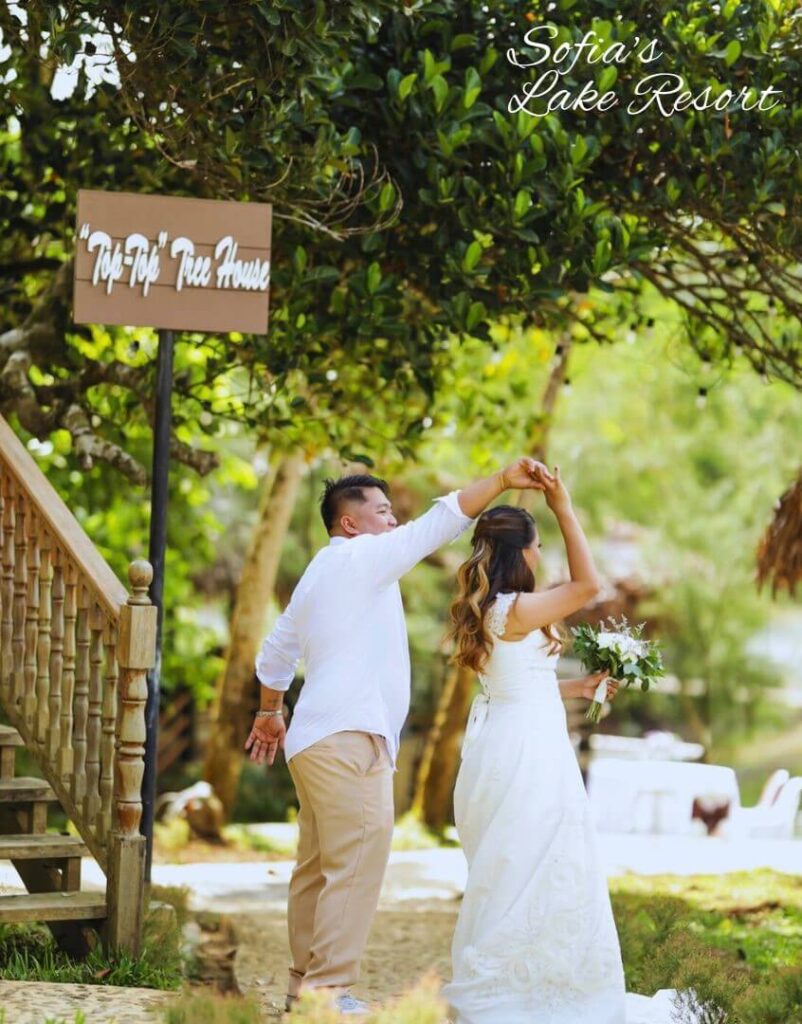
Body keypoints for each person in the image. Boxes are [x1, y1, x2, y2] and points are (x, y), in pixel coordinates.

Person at [246, 458, 553, 1017]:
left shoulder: (320, 571)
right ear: (350, 524)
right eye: (383, 512)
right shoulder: (363, 557)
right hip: (348, 737)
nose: (393, 523)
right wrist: (503, 481)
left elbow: (276, 651)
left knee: (316, 867)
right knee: (357, 863)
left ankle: (302, 986)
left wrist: (271, 710)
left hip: (314, 739)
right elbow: (442, 520)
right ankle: (326, 992)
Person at [442, 467, 684, 1024]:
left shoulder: (490, 611)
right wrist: (565, 507)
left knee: (513, 868)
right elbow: (587, 587)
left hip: (498, 750)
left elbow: (513, 684)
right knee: (537, 864)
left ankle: (520, 977)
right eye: (541, 544)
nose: (543, 553)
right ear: (523, 553)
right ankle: (521, 991)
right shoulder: (517, 609)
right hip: (529, 756)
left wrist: (576, 687)